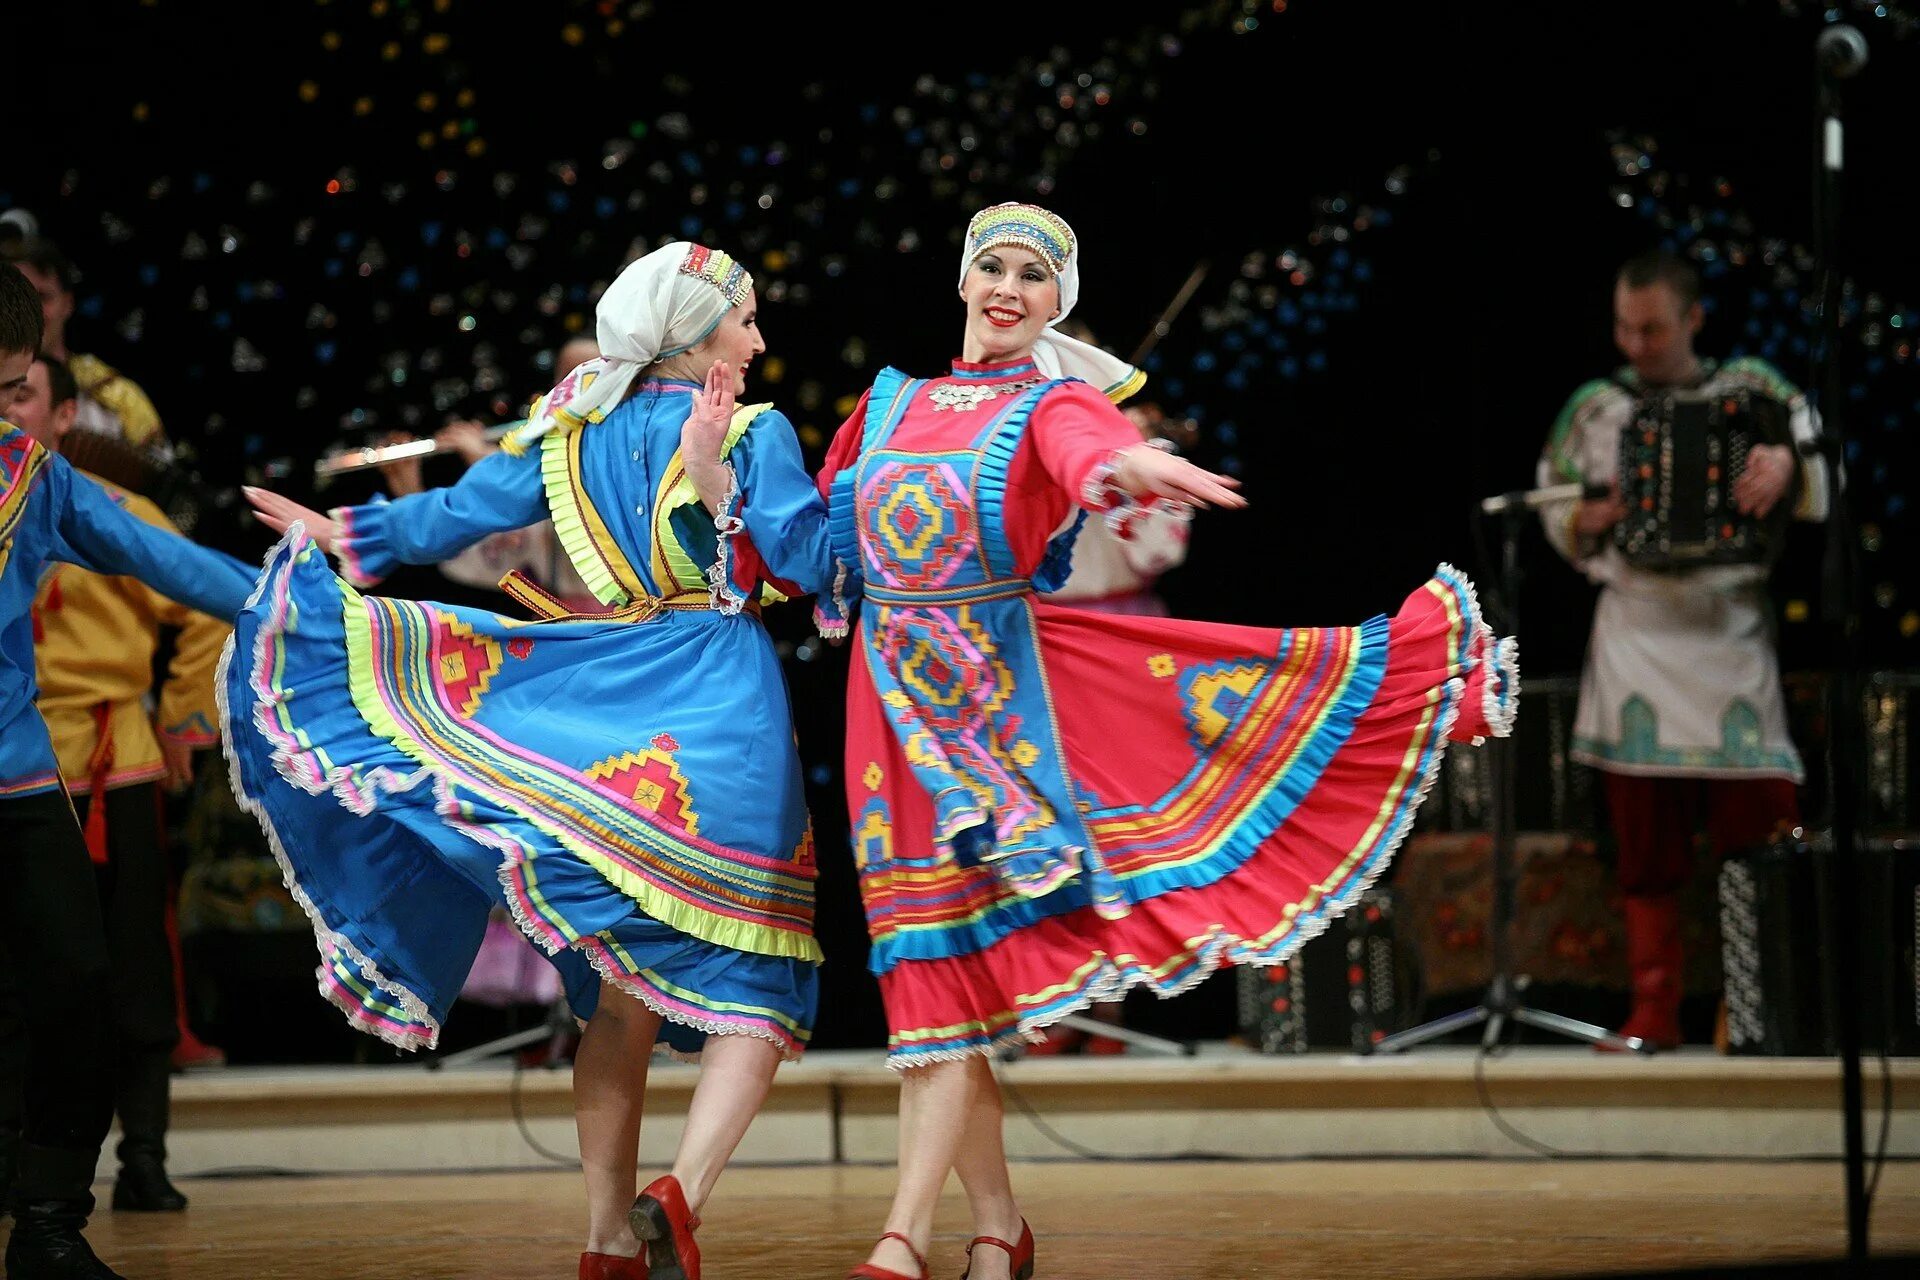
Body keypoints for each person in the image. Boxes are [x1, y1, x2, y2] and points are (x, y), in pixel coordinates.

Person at [699, 202, 1518, 1280]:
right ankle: (998, 1228)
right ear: (960, 280)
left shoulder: (1054, 400)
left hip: (999, 717)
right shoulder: (886, 402)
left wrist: (1127, 466)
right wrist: (719, 475)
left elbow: (1082, 445)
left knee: (941, 986)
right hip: (886, 720)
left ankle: (899, 1240)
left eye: (1033, 277)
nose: (1007, 287)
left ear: (1056, 305)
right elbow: (812, 558)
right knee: (930, 982)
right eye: (991, 265)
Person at [228, 243, 833, 1280]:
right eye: (746, 319)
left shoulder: (570, 429)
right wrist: (725, 481)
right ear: (692, 336)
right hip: (720, 697)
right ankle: (679, 1190)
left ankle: (604, 1241)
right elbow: (813, 562)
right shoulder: (752, 428)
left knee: (615, 991)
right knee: (764, 973)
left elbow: (463, 511)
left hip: (613, 689)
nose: (760, 337)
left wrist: (343, 530)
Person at [0, 262, 255, 1279]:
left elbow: (171, 564)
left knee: (80, 981)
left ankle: (51, 1222)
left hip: (21, 778)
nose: (4, 410)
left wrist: (295, 598)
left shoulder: (31, 473)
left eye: (12, 384)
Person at [1536, 250, 1829, 1050]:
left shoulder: (1761, 392)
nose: (1635, 345)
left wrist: (1785, 463)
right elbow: (1552, 497)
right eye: (1624, 328)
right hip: (1638, 630)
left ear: (1694, 320)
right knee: (1645, 841)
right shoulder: (1597, 408)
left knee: (1761, 831)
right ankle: (1655, 1014)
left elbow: (1826, 472)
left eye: (1653, 328)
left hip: (1730, 631)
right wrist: (1586, 518)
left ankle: (1768, 1012)